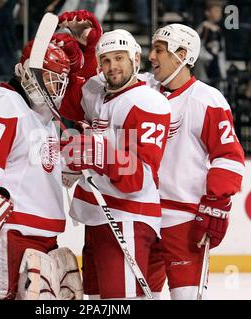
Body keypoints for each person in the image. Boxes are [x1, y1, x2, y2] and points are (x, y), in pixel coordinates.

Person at [0, 37, 83, 300]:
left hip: (42, 235)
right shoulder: (5, 104)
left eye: (57, 80)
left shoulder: (44, 116)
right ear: (25, 71)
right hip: (11, 232)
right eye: (47, 77)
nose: (52, 87)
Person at [59, 10, 171, 299]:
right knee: (98, 302)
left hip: (127, 218)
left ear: (135, 59)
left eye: (119, 58)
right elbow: (71, 104)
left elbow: (140, 177)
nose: (112, 67)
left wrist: (97, 152)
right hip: (98, 216)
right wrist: (82, 51)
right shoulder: (100, 91)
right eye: (105, 60)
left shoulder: (148, 102)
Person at [138, 23, 245, 299]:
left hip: (183, 221)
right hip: (139, 216)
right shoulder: (142, 89)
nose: (151, 56)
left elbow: (229, 156)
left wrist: (216, 200)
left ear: (182, 54)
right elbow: (106, 82)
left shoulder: (206, 99)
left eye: (159, 50)